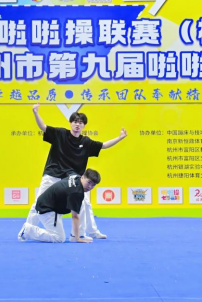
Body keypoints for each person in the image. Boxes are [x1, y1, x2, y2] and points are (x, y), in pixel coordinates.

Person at [25, 103, 127, 240]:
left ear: (84, 126)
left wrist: (120, 138)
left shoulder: (86, 142)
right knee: (39, 202)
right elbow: (43, 127)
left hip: (73, 179)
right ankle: (27, 229)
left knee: (85, 203)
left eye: (81, 122)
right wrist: (36, 112)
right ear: (70, 123)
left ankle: (85, 233)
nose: (77, 124)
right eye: (75, 122)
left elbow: (103, 145)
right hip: (53, 174)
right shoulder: (60, 133)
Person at [18, 169, 101, 243]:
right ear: (82, 177)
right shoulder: (76, 192)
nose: (90, 187)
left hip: (51, 205)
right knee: (59, 238)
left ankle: (74, 235)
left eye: (93, 185)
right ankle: (28, 230)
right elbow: (75, 216)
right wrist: (78, 238)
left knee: (81, 204)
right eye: (89, 182)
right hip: (46, 209)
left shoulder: (76, 177)